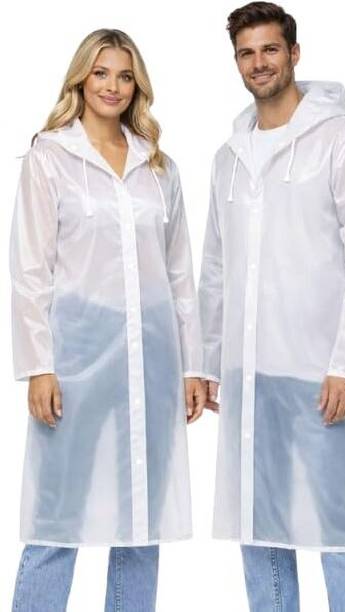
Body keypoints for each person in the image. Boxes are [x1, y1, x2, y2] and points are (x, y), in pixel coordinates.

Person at [198, 3, 345, 611]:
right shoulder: (229, 157)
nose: (258, 63)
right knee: (260, 531)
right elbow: (215, 269)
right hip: (251, 376)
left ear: (294, 54)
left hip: (320, 373)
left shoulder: (344, 142)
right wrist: (209, 361)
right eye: (246, 53)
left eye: (270, 49)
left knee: (340, 531)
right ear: (236, 61)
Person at [10, 28, 205, 612]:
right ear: (81, 78)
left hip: (152, 356)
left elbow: (180, 275)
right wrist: (38, 366)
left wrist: (192, 365)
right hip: (77, 357)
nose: (112, 87)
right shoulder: (51, 157)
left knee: (141, 516)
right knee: (57, 515)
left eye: (124, 76)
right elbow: (30, 270)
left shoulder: (158, 166)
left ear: (136, 85)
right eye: (101, 73)